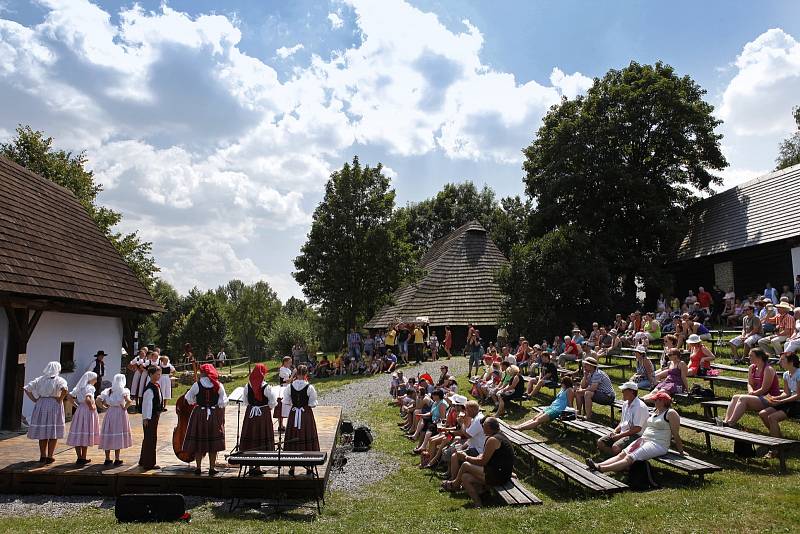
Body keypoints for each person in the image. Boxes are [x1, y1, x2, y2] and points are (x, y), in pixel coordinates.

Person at [586, 391, 684, 473]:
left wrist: (681, 452)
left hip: (658, 444)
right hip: (644, 439)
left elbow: (675, 434)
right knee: (622, 454)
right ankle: (598, 464)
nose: (654, 401)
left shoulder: (671, 413)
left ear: (663, 401)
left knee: (630, 457)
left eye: (656, 400)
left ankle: (601, 469)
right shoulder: (656, 411)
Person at [442, 417, 515, 508]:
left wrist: (466, 457)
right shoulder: (498, 436)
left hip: (499, 475)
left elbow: (482, 462)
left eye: (483, 426)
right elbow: (485, 456)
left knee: (465, 465)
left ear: (488, 428)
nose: (482, 428)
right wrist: (476, 457)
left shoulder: (493, 440)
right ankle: (478, 503)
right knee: (465, 477)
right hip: (499, 471)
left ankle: (455, 484)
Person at [716, 348, 780, 427]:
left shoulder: (768, 369)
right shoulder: (752, 367)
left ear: (759, 357)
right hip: (758, 396)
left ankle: (731, 423)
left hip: (770, 397)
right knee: (735, 397)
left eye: (751, 356)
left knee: (743, 398)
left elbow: (765, 389)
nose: (748, 357)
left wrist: (752, 394)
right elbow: (750, 384)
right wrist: (751, 392)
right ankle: (726, 421)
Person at [183, 364, 228, 475]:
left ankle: (198, 468)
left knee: (199, 441)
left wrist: (197, 402)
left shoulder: (197, 385)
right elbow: (223, 402)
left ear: (203, 373)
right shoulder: (218, 385)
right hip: (213, 414)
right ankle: (212, 468)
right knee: (213, 442)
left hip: (199, 414)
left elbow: (189, 399)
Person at [24, 361, 68, 463]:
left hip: (41, 404)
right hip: (54, 404)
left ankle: (43, 455)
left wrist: (34, 399)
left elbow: (26, 388)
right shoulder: (59, 380)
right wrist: (60, 399)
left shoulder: (40, 379)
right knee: (53, 431)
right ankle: (50, 456)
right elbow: (65, 389)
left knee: (43, 432)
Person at [759, 352, 800, 458]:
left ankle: (775, 449)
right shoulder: (786, 374)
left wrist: (782, 401)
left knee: (772, 418)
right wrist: (775, 398)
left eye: (782, 360)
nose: (779, 362)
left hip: (797, 404)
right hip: (790, 401)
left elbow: (798, 396)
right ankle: (781, 440)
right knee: (763, 413)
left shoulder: (799, 374)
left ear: (791, 362)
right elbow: (786, 393)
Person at [240, 364, 277, 474]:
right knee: (261, 437)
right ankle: (257, 467)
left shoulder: (247, 386)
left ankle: (251, 466)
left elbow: (245, 401)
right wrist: (265, 409)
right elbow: (272, 403)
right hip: (263, 414)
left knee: (251, 437)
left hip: (251, 414)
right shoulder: (267, 387)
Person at [283, 365, 320, 475]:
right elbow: (312, 404)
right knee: (306, 435)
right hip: (305, 415)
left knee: (293, 436)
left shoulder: (289, 387)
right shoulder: (309, 387)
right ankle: (308, 467)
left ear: (296, 373)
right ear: (306, 374)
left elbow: (287, 401)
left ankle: (292, 467)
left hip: (294, 414)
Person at [597, 382, 649, 456]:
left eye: (624, 390)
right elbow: (622, 422)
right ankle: (616, 459)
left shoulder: (639, 407)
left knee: (615, 448)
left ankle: (617, 461)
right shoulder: (625, 404)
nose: (622, 392)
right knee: (600, 442)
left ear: (631, 392)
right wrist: (615, 431)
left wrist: (620, 436)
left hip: (636, 435)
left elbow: (637, 429)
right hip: (624, 432)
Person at [97, 373, 133, 466]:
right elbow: (129, 401)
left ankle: (107, 459)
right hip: (120, 413)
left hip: (110, 412)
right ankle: (117, 459)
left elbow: (98, 400)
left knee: (108, 433)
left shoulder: (108, 390)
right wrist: (125, 408)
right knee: (118, 434)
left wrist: (104, 407)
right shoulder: (124, 391)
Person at [66, 371, 99, 464]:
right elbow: (88, 399)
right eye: (95, 378)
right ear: (91, 379)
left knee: (78, 432)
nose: (96, 380)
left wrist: (76, 405)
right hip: (87, 411)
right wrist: (91, 407)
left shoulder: (79, 387)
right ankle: (83, 457)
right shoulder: (90, 387)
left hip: (80, 410)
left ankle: (79, 457)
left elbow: (69, 396)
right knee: (85, 433)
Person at [139, 365, 163, 470]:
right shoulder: (150, 389)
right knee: (150, 439)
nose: (159, 376)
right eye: (157, 374)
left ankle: (143, 460)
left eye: (159, 374)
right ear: (151, 375)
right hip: (150, 417)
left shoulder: (156, 386)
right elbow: (147, 405)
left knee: (149, 439)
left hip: (154, 415)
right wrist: (146, 418)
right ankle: (149, 463)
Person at [274, 356, 294, 432]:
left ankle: (289, 424)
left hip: (288, 388)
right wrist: (294, 374)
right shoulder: (282, 370)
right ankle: (280, 425)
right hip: (283, 389)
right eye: (289, 362)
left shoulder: (287, 369)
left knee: (289, 406)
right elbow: (288, 381)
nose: (291, 364)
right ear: (285, 362)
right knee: (281, 407)